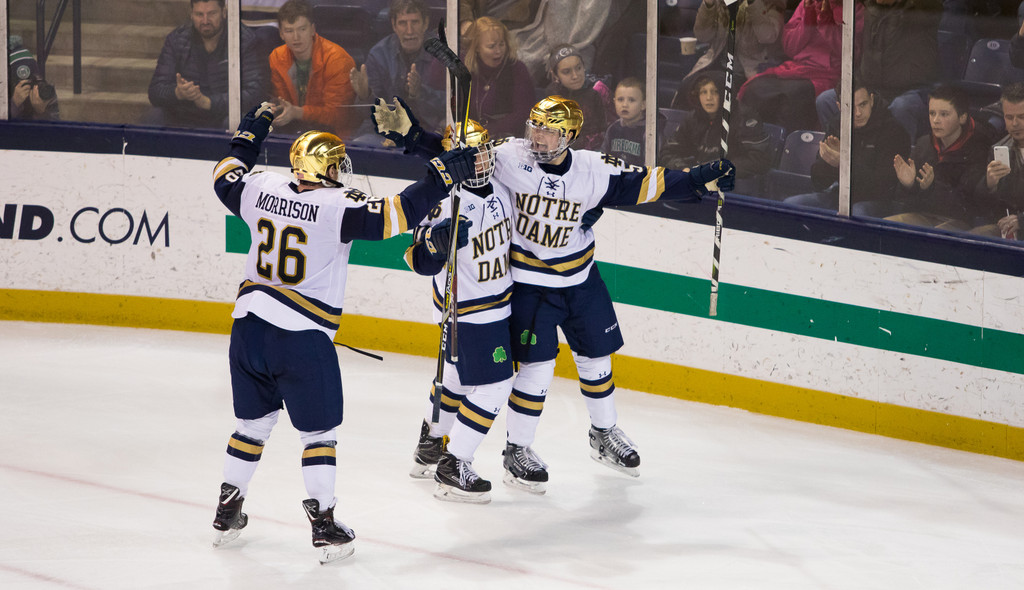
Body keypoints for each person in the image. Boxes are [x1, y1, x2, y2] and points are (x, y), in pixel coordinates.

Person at [372, 96, 737, 490]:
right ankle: (517, 450)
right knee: (537, 367)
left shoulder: (592, 169)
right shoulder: (511, 156)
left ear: (571, 135)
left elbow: (646, 182)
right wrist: (413, 136)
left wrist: (698, 178)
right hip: (530, 285)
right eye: (535, 127)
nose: (539, 138)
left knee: (597, 356)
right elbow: (465, 157)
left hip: (582, 279)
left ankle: (604, 432)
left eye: (549, 130)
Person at [209, 102, 477, 561]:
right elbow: (398, 214)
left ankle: (227, 508)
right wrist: (441, 175)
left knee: (251, 425)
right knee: (319, 435)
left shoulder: (260, 187)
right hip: (301, 339)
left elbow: (224, 175)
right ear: (325, 168)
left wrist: (251, 132)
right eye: (336, 166)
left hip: (247, 330)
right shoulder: (338, 205)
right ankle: (324, 524)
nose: (342, 173)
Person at [398, 118, 514, 503]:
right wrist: (436, 245)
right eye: (470, 155)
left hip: (497, 302)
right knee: (497, 384)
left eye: (484, 151)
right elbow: (416, 260)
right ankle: (454, 463)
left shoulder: (501, 185)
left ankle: (430, 444)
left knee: (457, 382)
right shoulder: (442, 202)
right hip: (467, 311)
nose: (480, 161)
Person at [815, 0, 942, 141]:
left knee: (901, 107)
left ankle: (898, 159)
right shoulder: (871, 6)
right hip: (874, 88)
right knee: (826, 100)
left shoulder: (921, 9)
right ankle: (839, 154)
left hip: (911, 90)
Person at [881, 84, 999, 228]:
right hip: (922, 215)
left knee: (933, 239)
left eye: (944, 114)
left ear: (962, 117)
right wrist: (909, 185)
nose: (936, 120)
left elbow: (968, 207)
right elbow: (907, 202)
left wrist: (931, 188)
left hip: (958, 222)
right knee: (885, 227)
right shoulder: (924, 143)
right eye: (932, 113)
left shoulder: (979, 147)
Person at [784, 79, 909, 212]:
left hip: (878, 202)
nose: (858, 113)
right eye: (850, 106)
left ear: (872, 100)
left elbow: (883, 187)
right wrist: (828, 164)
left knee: (858, 211)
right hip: (840, 195)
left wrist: (844, 163)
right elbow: (818, 183)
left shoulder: (892, 130)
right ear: (839, 106)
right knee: (791, 204)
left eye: (863, 104)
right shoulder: (836, 125)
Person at [738, 0, 863, 132]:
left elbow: (851, 54)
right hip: (797, 68)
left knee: (793, 96)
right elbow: (790, 48)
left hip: (826, 73)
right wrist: (809, 18)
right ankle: (756, 143)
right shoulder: (808, 3)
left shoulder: (855, 9)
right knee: (754, 89)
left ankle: (788, 147)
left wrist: (825, 21)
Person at [147, 0, 267, 128]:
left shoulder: (244, 40)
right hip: (185, 112)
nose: (205, 21)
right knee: (154, 117)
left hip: (224, 114)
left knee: (239, 122)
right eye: (199, 14)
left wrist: (209, 102)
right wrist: (177, 93)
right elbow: (155, 91)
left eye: (211, 14)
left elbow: (256, 93)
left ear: (224, 12)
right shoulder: (177, 39)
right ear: (191, 15)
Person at [350, 0, 444, 131]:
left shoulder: (442, 54)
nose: (409, 31)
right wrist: (365, 96)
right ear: (394, 26)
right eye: (402, 23)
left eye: (415, 22)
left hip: (428, 130)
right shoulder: (378, 54)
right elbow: (368, 115)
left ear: (425, 23)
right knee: (359, 144)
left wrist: (420, 93)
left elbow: (452, 106)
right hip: (388, 129)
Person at [268, 0, 358, 138]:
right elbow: (283, 103)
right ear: (281, 34)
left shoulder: (337, 60)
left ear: (312, 29)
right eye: (289, 31)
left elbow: (338, 116)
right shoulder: (277, 57)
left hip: (333, 136)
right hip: (293, 131)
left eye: (302, 29)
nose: (296, 37)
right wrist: (278, 109)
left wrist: (297, 112)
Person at [660, 72, 774, 179]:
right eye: (703, 92)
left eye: (715, 92)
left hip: (733, 185)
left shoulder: (744, 117)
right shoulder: (692, 118)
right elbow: (668, 152)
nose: (709, 98)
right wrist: (682, 168)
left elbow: (758, 159)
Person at [675, 0, 786, 107]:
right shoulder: (721, 2)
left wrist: (753, 3)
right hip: (716, 62)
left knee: (717, 87)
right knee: (687, 86)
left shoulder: (772, 2)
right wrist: (708, 6)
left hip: (749, 69)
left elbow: (767, 36)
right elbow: (703, 36)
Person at [461, 17, 535, 139]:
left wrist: (488, 132)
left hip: (509, 139)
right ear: (477, 48)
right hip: (470, 137)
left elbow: (523, 113)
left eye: (502, 44)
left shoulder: (517, 69)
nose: (498, 51)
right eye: (492, 46)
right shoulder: (465, 68)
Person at [972, 82, 1024, 240]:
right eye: (1009, 117)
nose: (1015, 123)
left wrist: (1022, 221)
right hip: (1008, 230)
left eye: (1022, 117)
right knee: (972, 238)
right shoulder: (999, 149)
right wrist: (989, 185)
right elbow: (984, 209)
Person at [545, 44, 611, 150]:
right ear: (555, 75)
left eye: (579, 68)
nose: (575, 76)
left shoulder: (596, 91)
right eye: (567, 72)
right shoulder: (552, 96)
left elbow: (604, 132)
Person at [601, 77, 665, 167]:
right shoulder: (612, 129)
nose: (624, 105)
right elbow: (603, 158)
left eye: (631, 100)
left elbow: (653, 165)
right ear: (614, 102)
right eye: (620, 99)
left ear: (643, 105)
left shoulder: (650, 132)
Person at [7, 36, 60, 121]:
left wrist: (41, 112)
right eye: (20, 80)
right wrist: (14, 104)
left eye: (33, 78)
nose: (27, 84)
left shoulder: (45, 91)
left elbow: (56, 131)